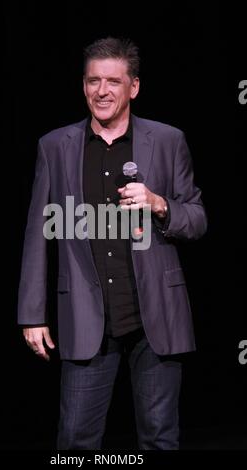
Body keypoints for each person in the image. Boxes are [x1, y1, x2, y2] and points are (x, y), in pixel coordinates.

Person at [18, 37, 207, 450]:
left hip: (154, 314)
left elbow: (197, 219)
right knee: (75, 441)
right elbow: (38, 233)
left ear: (133, 87)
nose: (101, 91)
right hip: (86, 318)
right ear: (83, 85)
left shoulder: (168, 140)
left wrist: (159, 204)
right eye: (92, 81)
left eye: (113, 82)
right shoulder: (54, 147)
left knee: (160, 437)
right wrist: (32, 314)